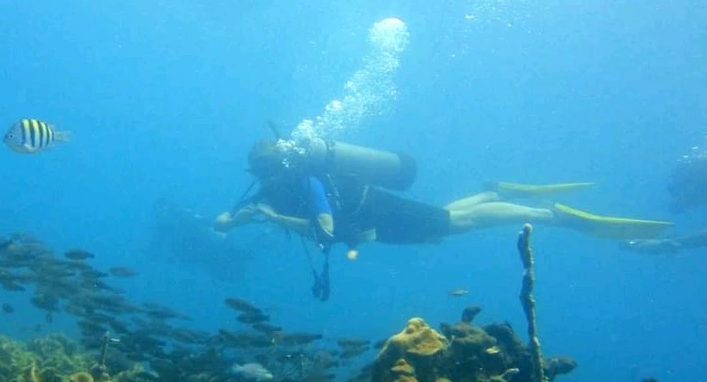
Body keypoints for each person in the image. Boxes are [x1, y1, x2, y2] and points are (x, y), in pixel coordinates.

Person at [213, 137, 673, 298]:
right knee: (447, 218)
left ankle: (547, 215)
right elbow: (240, 213)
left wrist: (277, 219)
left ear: (276, 167)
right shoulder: (275, 187)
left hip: (376, 210)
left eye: (264, 171)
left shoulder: (305, 181)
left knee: (457, 225)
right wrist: (233, 220)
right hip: (375, 223)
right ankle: (495, 191)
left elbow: (326, 229)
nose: (262, 178)